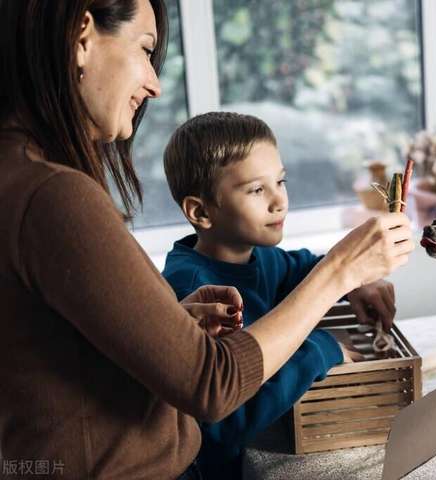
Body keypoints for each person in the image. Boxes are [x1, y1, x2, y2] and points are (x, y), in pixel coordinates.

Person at [0, 1, 414, 479]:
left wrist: (168, 324)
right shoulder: (53, 196)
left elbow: (54, 353)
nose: (154, 85)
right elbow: (213, 386)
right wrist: (341, 272)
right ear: (82, 36)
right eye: (145, 49)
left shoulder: (17, 177)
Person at [161, 112, 397, 478]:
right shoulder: (193, 287)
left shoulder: (258, 255)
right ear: (200, 211)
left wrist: (356, 284)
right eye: (257, 190)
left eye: (281, 181)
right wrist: (324, 347)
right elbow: (227, 418)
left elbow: (306, 271)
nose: (280, 201)